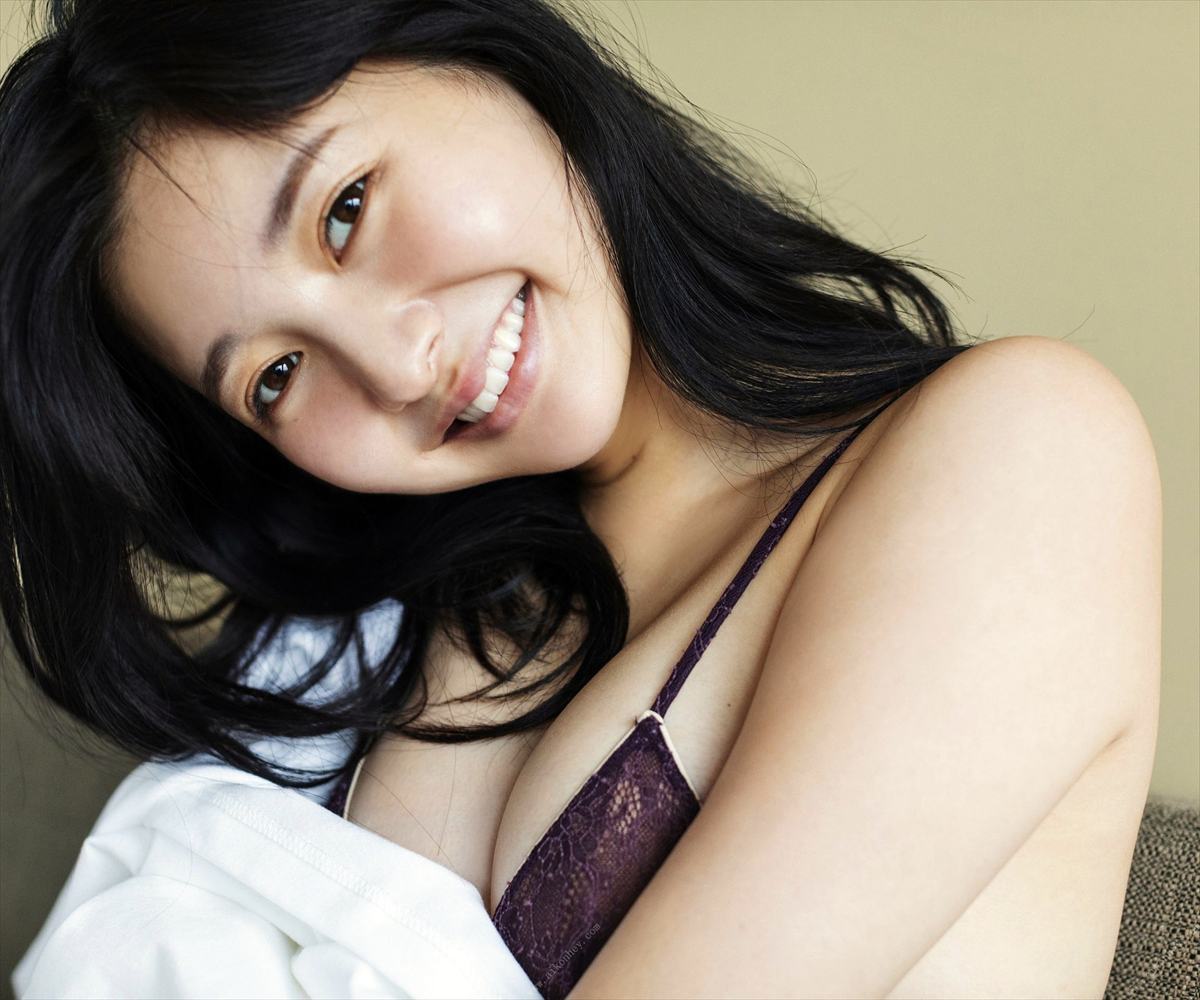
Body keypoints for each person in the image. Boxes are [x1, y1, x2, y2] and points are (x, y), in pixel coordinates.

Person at [0, 1, 1161, 997]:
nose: (398, 368)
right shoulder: (423, 608)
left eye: (344, 209)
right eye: (277, 375)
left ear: (469, 48)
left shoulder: (1025, 449)